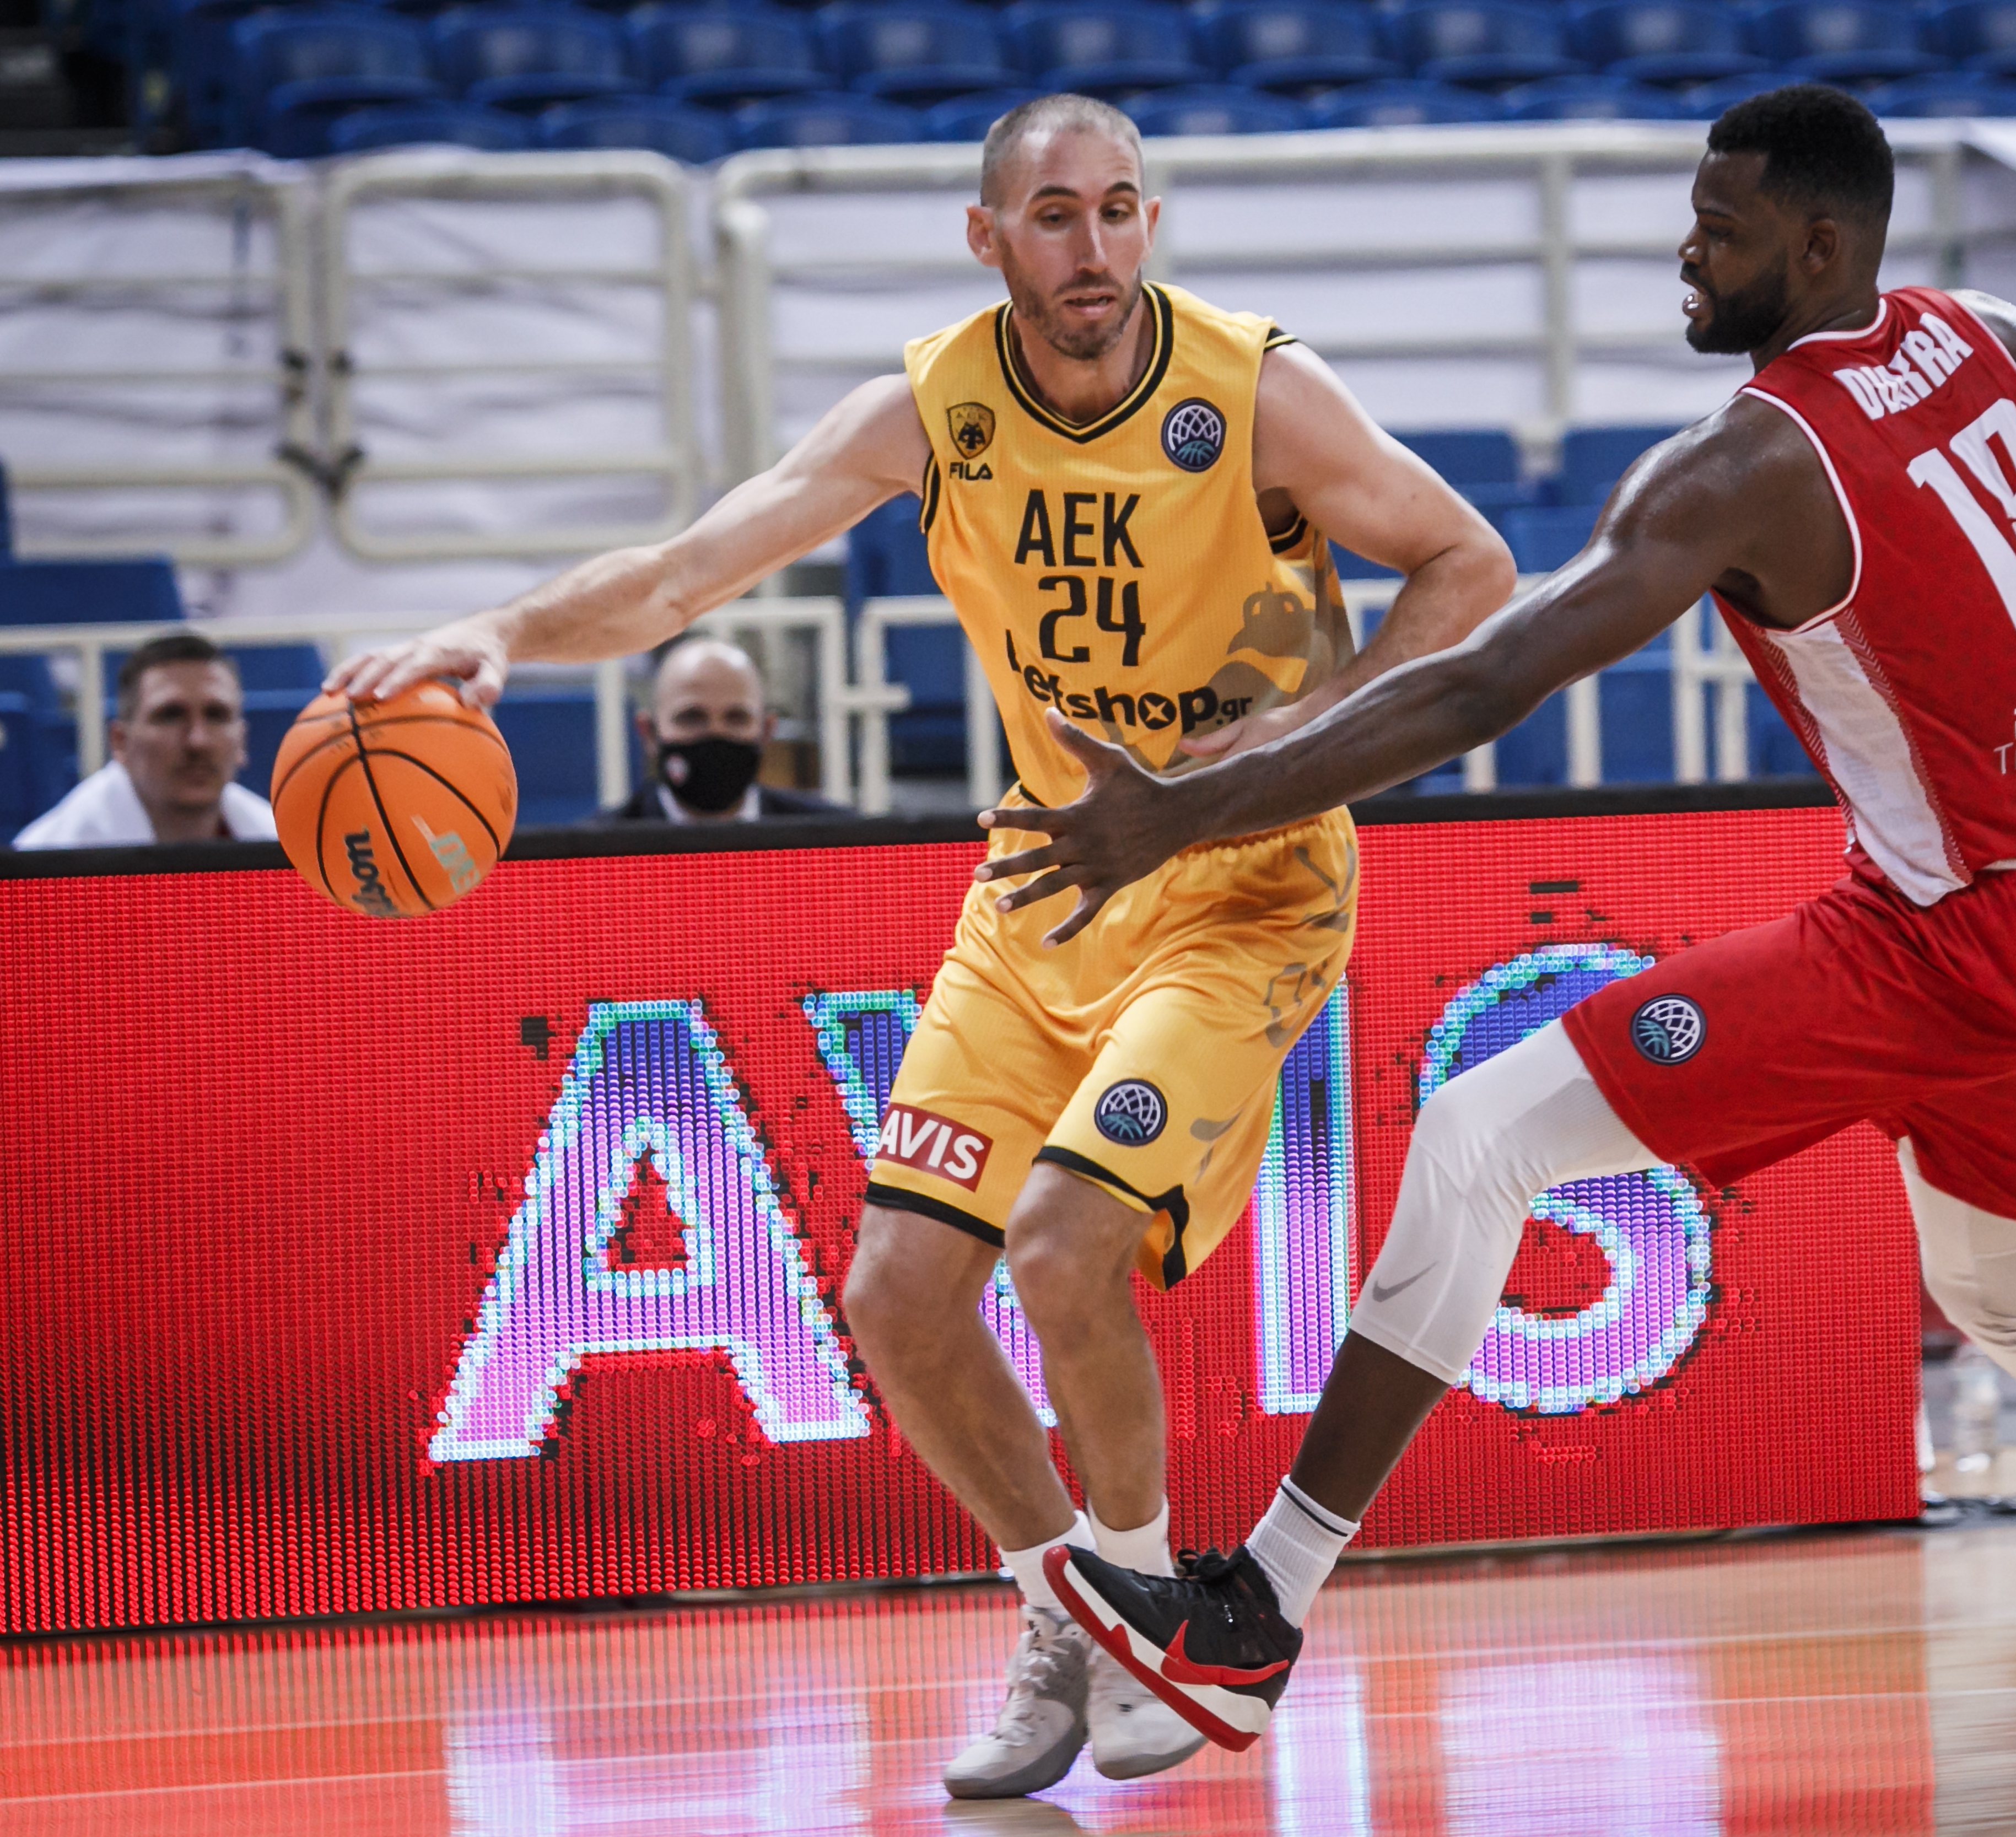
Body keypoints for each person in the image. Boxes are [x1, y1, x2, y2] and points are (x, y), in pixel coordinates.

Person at [979, 86, 2016, 1754]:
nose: (1685, 250)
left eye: (1721, 227)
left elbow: (1487, 677)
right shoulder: (1991, 335)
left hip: (1946, 939)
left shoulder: (1753, 459)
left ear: (1817, 247)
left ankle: (1254, 1613)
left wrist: (1179, 808)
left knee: (1475, 1138)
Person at [327, 93, 1515, 1798]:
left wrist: (1277, 750)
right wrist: (496, 630)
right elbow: (682, 574)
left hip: (1245, 891)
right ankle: (1072, 1612)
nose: (1093, 248)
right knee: (895, 1294)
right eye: (1054, 217)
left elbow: (1467, 562)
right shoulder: (930, 410)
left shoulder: (1254, 391)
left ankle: (1142, 1599)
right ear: (988, 239)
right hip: (1042, 890)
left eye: (1118, 211)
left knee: (1056, 1244)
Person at [14, 632, 277, 849]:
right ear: (120, 742)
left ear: (241, 741)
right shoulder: (43, 868)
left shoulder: (282, 848)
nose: (198, 742)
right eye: (170, 716)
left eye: (216, 716)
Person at [596, 634, 851, 823]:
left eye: (736, 718)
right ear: (649, 733)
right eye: (691, 717)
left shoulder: (832, 845)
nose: (715, 733)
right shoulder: (594, 857)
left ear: (766, 731)